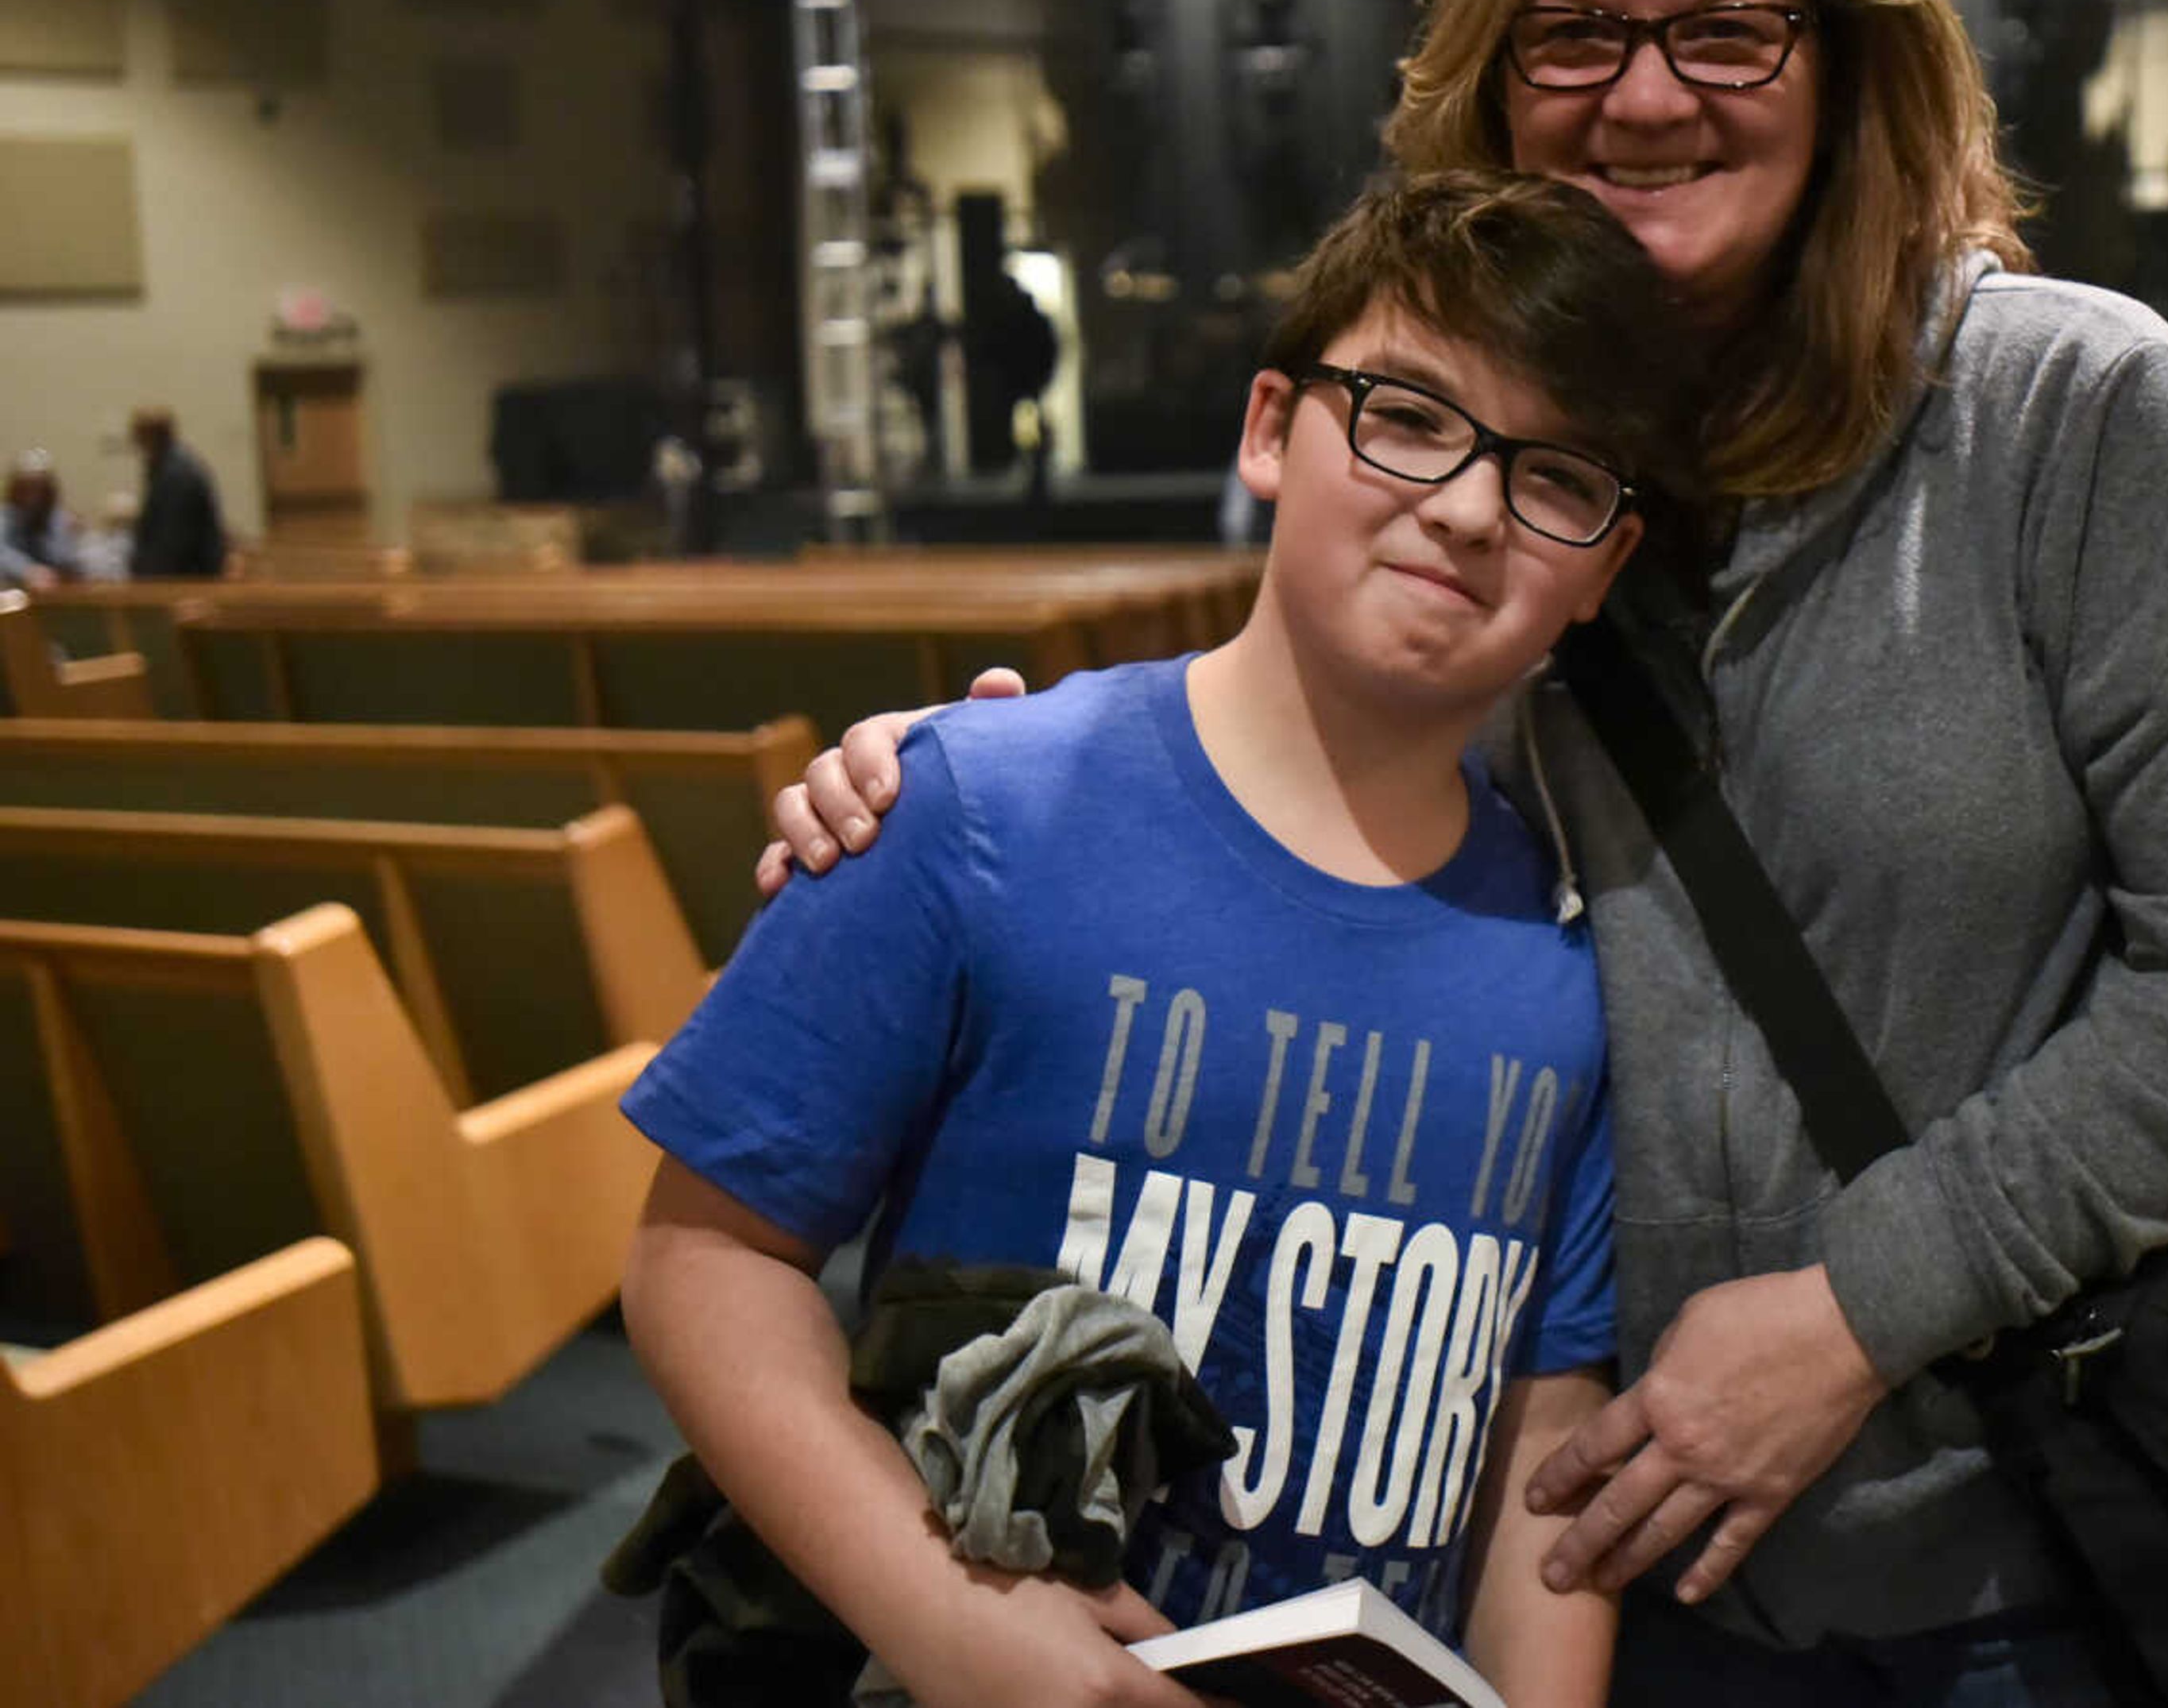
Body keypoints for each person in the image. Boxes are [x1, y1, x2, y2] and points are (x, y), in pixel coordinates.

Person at [762, 0, 2168, 1706]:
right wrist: (988, 769)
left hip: (2014, 1548)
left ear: (1849, 60)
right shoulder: (1489, 482)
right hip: (1555, 1565)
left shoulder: (2086, 417)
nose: (1644, 97)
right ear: (1494, 86)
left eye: (1726, 35)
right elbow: (1294, 790)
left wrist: (1850, 1315)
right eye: (1571, 36)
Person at [621, 171, 1698, 1708]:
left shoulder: (1566, 960)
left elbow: (1539, 1416)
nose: (1467, 505)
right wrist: (947, 1618)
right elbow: (703, 1252)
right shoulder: (973, 808)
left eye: (1558, 476)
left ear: (1603, 563)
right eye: (1408, 415)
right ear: (1272, 427)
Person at [126, 407, 226, 577]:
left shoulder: (176, 474)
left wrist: (147, 576)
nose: (135, 443)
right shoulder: (168, 465)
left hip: (188, 574)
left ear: (150, 436)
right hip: (185, 567)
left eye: (138, 437)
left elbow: (173, 537)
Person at [0, 450, 86, 589]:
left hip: (53, 593)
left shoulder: (60, 518)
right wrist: (27, 570)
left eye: (39, 488)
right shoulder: (4, 517)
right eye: (26, 488)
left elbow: (66, 560)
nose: (33, 496)